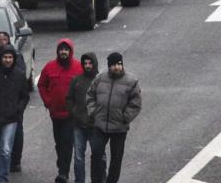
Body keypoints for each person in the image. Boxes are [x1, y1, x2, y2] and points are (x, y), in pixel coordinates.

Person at [86, 52, 142, 183]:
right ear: (109, 66)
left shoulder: (131, 81)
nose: (117, 67)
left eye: (119, 64)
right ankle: (97, 180)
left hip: (119, 128)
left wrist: (125, 117)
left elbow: (136, 103)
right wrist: (94, 112)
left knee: (116, 159)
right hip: (100, 125)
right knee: (96, 154)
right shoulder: (100, 78)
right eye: (114, 65)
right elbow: (90, 95)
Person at [37, 39, 84, 183]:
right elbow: (41, 85)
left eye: (66, 49)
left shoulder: (78, 67)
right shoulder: (49, 67)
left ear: (71, 51)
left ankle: (63, 173)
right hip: (55, 113)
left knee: (67, 142)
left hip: (70, 114)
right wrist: (48, 101)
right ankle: (62, 164)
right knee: (59, 143)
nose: (63, 52)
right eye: (61, 49)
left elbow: (83, 87)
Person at [0, 44, 30, 183]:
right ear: (0, 58)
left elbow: (24, 96)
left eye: (10, 57)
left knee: (6, 149)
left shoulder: (19, 75)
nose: (8, 60)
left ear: (14, 59)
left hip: (11, 119)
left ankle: (3, 178)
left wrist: (18, 110)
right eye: (5, 57)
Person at [65, 52, 104, 183]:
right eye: (85, 63)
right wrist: (73, 112)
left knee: (99, 155)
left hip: (96, 126)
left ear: (94, 63)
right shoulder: (76, 80)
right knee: (78, 157)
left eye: (90, 63)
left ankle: (99, 179)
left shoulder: (101, 80)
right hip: (78, 125)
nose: (87, 66)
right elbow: (69, 98)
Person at [0, 31, 25, 172]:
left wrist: (19, 108)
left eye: (2, 40)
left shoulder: (16, 57)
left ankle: (15, 160)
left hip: (14, 104)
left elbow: (21, 81)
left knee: (16, 132)